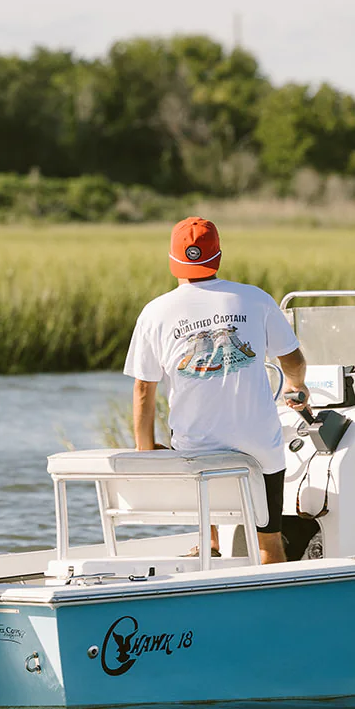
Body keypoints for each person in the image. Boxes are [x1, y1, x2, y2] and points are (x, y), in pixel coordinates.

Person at [123, 216, 310, 565]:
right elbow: (294, 360)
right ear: (217, 257)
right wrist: (297, 388)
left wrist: (145, 449)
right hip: (259, 451)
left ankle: (208, 541)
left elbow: (143, 390)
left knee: (191, 450)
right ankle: (272, 581)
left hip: (195, 452)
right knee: (269, 543)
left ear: (173, 259)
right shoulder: (255, 299)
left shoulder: (154, 313)